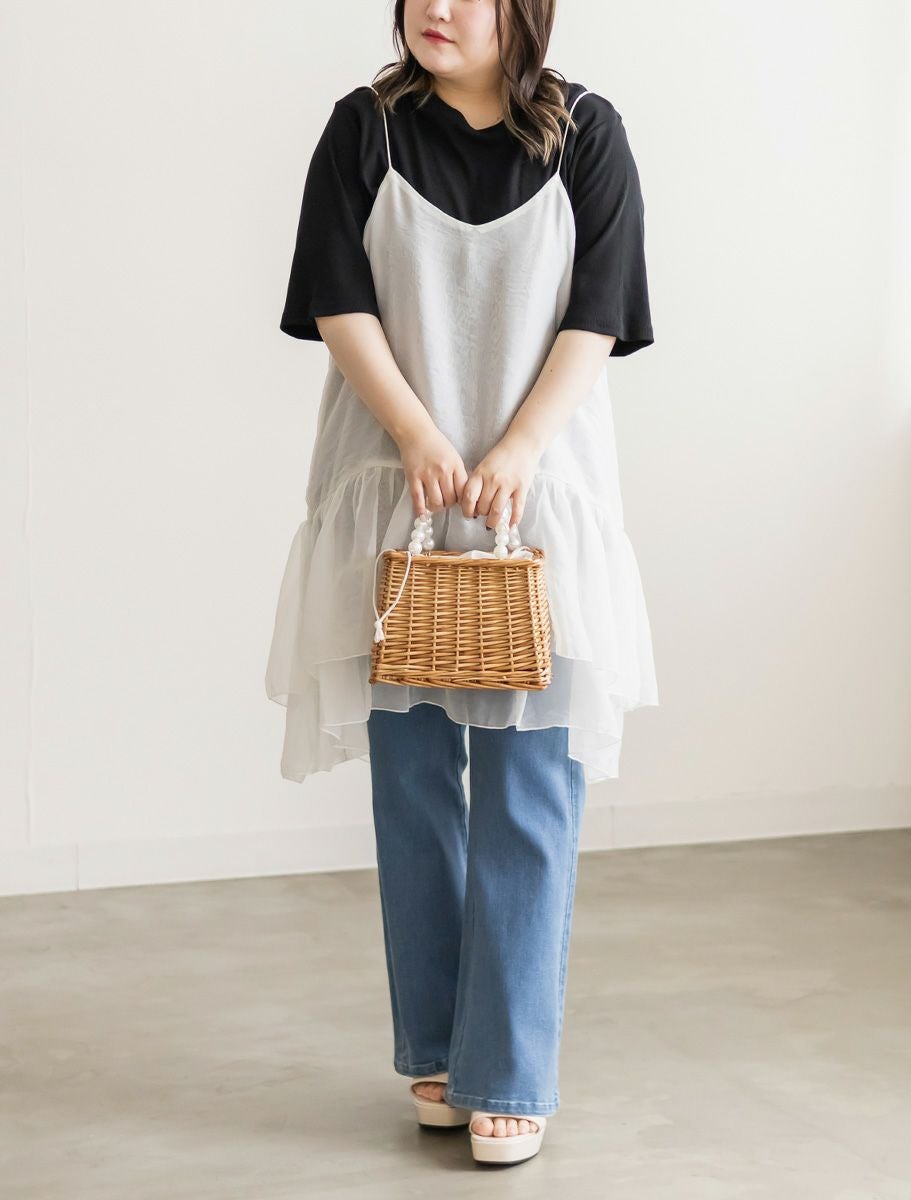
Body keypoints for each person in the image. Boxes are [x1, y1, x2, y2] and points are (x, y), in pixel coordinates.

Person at [265, 0, 658, 1167]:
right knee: (413, 784)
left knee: (531, 787)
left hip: (541, 501)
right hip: (394, 494)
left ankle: (511, 1070)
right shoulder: (364, 129)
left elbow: (597, 313)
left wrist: (519, 450)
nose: (436, 8)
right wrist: (418, 438)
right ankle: (436, 1051)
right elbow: (338, 300)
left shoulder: (587, 133)